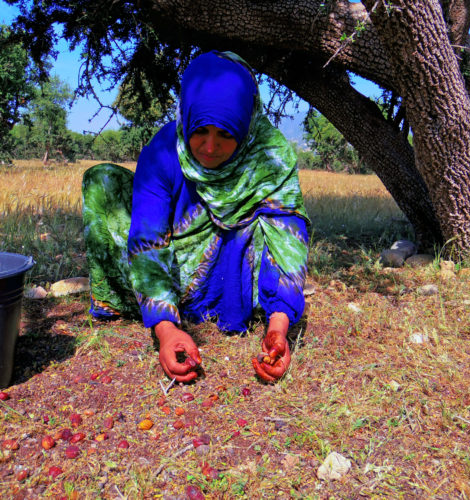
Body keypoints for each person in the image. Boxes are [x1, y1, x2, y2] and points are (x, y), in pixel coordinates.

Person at [82, 51, 309, 383]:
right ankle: (161, 307)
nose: (210, 147)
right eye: (200, 129)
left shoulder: (270, 158)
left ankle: (241, 306)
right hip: (172, 270)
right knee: (102, 180)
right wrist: (165, 330)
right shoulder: (162, 152)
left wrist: (278, 329)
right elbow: (148, 240)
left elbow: (287, 243)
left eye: (226, 134)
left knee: (273, 218)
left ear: (245, 127)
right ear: (185, 117)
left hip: (233, 274)